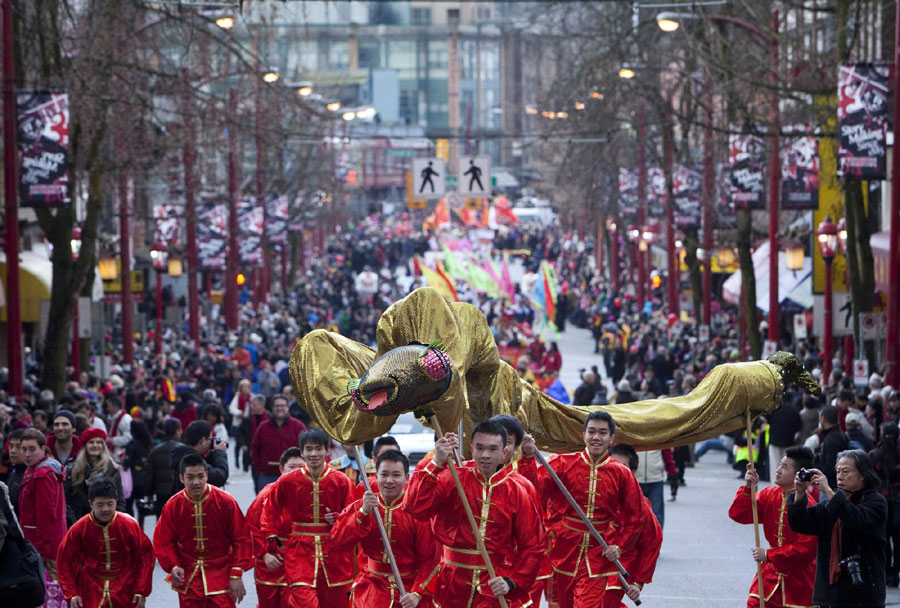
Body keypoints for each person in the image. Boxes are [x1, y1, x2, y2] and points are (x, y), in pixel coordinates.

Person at [404, 421, 544, 608]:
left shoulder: (520, 489)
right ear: (472, 448)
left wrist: (512, 580)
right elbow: (415, 508)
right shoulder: (454, 478)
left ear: (504, 452)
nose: (485, 455)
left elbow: (533, 544)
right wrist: (436, 462)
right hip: (452, 583)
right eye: (480, 448)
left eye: (493, 449)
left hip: (494, 582)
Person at [520, 411, 643, 608]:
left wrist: (619, 546)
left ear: (611, 439)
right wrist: (527, 457)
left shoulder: (622, 473)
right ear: (583, 435)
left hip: (600, 552)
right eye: (591, 431)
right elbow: (533, 491)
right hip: (565, 549)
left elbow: (635, 517)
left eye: (602, 433)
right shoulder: (562, 464)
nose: (596, 437)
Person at [261, 428, 357, 607]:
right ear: (302, 452)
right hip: (299, 550)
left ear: (327, 451)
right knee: (304, 598)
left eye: (318, 448)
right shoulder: (287, 481)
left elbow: (353, 516)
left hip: (334, 552)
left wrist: (338, 519)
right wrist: (270, 535)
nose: (314, 454)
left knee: (334, 602)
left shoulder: (341, 481)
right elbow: (270, 508)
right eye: (309, 449)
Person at [332, 450, 438, 608]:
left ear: (407, 478)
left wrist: (417, 593)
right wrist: (363, 513)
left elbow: (430, 559)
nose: (389, 481)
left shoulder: (416, 512)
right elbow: (339, 542)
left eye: (396, 475)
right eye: (384, 474)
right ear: (375, 476)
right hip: (372, 587)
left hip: (409, 588)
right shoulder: (363, 506)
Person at [788, 449, 887, 607]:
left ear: (863, 474)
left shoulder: (876, 502)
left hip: (862, 591)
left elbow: (855, 519)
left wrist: (827, 491)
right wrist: (799, 493)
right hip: (831, 592)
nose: (840, 476)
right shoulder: (831, 502)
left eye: (846, 471)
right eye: (838, 471)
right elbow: (800, 523)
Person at [154, 453, 253, 608]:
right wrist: (173, 565)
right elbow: (164, 541)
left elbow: (242, 538)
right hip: (189, 575)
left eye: (200, 476)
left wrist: (236, 573)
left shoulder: (225, 501)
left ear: (207, 475)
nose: (196, 482)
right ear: (181, 478)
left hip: (221, 572)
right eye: (190, 477)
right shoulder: (173, 505)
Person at [729, 446, 818, 608]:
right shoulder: (769, 494)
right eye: (780, 465)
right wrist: (749, 487)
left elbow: (805, 549)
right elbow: (739, 514)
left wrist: (769, 555)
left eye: (784, 467)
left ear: (799, 474)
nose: (778, 470)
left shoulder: (810, 505)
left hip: (799, 580)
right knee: (755, 603)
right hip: (770, 575)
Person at [56, 479, 155, 608]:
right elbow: (65, 561)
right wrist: (72, 593)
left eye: (110, 504)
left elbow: (145, 557)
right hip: (91, 588)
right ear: (91, 504)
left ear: (116, 502)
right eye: (100, 505)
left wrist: (141, 590)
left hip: (125, 588)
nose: (105, 509)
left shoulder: (129, 525)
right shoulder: (79, 528)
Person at [245, 447, 305, 608]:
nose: (296, 472)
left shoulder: (311, 494)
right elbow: (251, 526)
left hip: (299, 561)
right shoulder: (266, 494)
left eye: (301, 467)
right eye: (292, 467)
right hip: (270, 562)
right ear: (281, 469)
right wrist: (264, 554)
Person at [608, 445, 663, 607]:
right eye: (612, 466)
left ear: (632, 473)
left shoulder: (640, 506)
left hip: (618, 568)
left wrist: (638, 582)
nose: (616, 473)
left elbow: (652, 542)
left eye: (623, 468)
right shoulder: (594, 493)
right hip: (587, 563)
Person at [18, 428, 67, 581]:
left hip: (44, 548)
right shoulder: (35, 469)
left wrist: (42, 552)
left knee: (50, 593)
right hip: (44, 544)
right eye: (24, 449)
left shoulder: (42, 476)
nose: (27, 454)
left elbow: (46, 517)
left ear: (42, 449)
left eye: (32, 449)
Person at [64, 428, 126, 526]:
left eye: (98, 442)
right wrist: (73, 520)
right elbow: (65, 499)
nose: (95, 445)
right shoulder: (73, 469)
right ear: (85, 446)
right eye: (91, 442)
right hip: (79, 522)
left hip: (107, 523)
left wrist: (113, 520)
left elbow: (120, 498)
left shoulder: (112, 468)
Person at [250, 394, 306, 492]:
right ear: (272, 408)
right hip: (267, 475)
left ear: (287, 407)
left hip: (293, 474)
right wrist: (259, 468)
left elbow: (306, 448)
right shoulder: (263, 427)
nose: (280, 408)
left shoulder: (298, 426)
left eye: (283, 405)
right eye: (277, 406)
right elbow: (255, 448)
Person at [869, 422, 900, 587]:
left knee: (884, 538)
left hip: (881, 501)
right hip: (898, 500)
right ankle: (895, 572)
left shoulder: (874, 455)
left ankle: (887, 571)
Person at [169, 420, 229, 494]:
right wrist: (219, 452)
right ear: (203, 441)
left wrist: (212, 455)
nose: (212, 442)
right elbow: (219, 477)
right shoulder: (192, 460)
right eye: (210, 439)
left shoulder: (182, 454)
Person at [145, 417, 181, 517]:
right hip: (179, 494)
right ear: (177, 431)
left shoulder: (155, 451)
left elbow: (149, 476)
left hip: (161, 495)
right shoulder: (183, 450)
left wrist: (149, 494)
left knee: (163, 525)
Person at [816, 405, 850, 489]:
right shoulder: (841, 434)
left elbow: (830, 467)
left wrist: (817, 463)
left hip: (831, 486)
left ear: (822, 418)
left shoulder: (831, 440)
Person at [4, 428, 27, 514]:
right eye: (11, 446)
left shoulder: (33, 475)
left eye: (18, 447)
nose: (13, 451)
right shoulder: (13, 472)